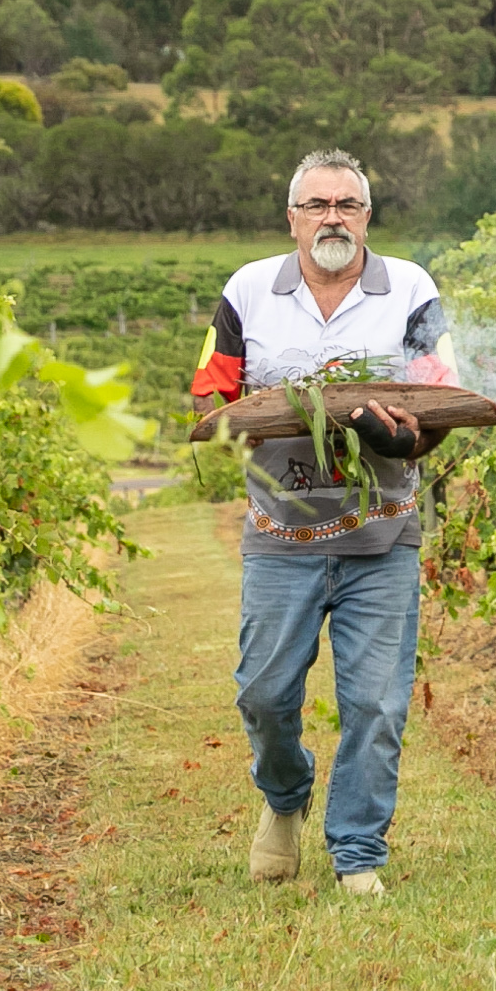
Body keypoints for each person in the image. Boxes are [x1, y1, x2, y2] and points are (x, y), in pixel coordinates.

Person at [189, 149, 454, 896]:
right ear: (292, 218)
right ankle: (283, 798)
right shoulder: (247, 290)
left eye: (347, 204)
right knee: (265, 695)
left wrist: (404, 439)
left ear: (367, 216)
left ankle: (358, 853)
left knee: (375, 702)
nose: (332, 217)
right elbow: (210, 398)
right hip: (281, 536)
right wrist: (255, 418)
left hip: (382, 537)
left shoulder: (410, 288)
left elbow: (441, 400)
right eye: (316, 205)